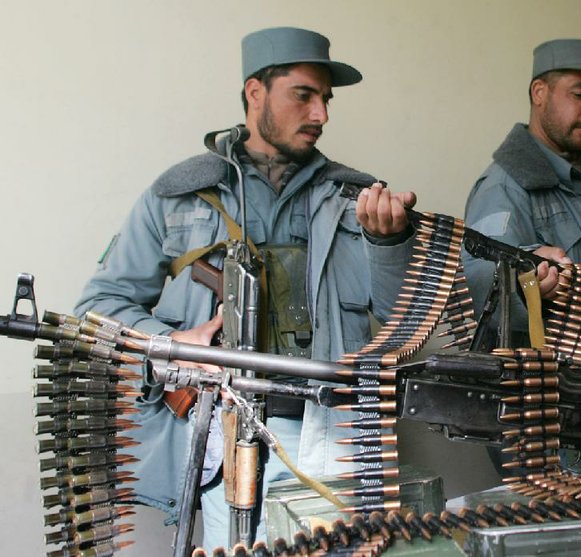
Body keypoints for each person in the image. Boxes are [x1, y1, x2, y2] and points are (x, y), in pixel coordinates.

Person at [74, 27, 415, 550]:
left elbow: (402, 325)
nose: (321, 113)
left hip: (331, 430)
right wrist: (167, 344)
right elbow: (99, 307)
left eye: (325, 98)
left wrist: (388, 243)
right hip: (218, 433)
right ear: (256, 92)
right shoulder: (181, 195)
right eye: (304, 95)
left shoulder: (356, 197)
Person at [463, 38, 581, 383]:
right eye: (579, 95)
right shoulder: (504, 186)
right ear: (539, 93)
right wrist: (527, 278)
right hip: (555, 410)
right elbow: (477, 285)